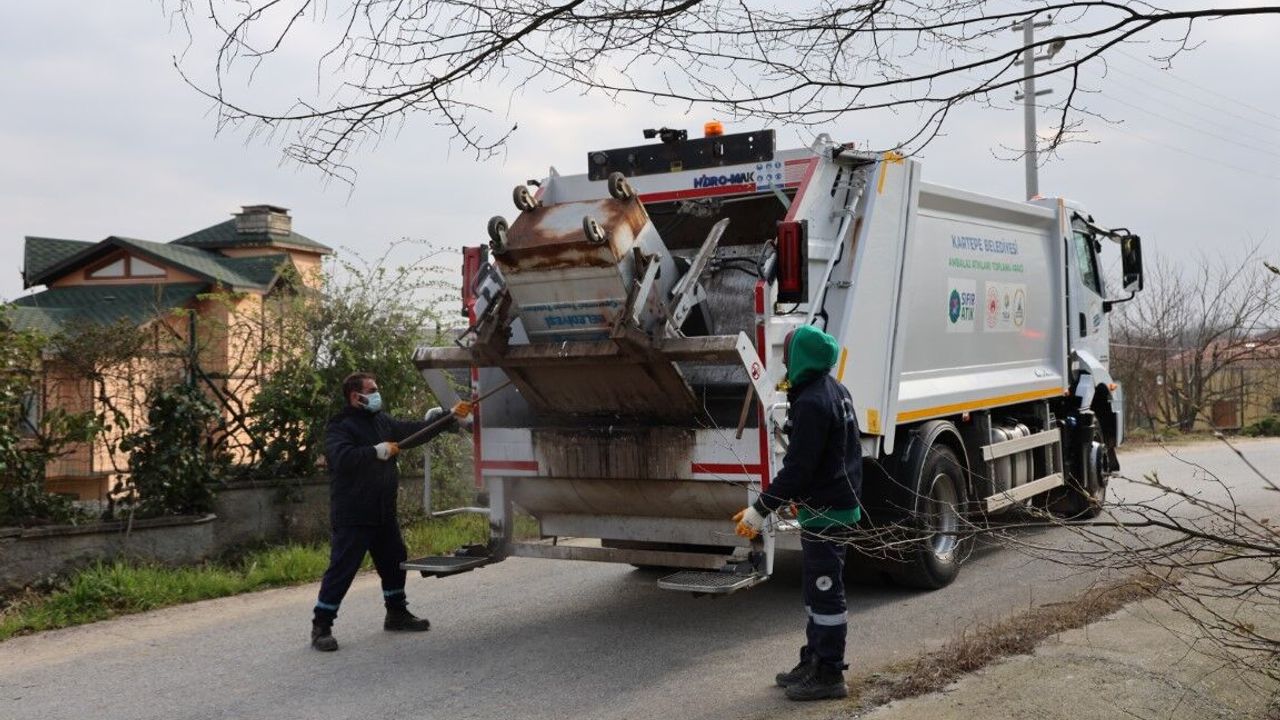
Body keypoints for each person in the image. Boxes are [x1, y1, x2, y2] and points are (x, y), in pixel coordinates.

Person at [732, 324, 862, 701]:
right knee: (815, 591)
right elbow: (838, 458)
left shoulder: (812, 402)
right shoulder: (836, 391)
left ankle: (830, 674)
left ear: (800, 358)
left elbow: (799, 468)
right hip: (830, 506)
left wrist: (760, 510)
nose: (785, 361)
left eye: (788, 355)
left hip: (827, 513)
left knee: (825, 593)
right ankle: (815, 659)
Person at [310, 372, 473, 652]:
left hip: (383, 510)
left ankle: (396, 613)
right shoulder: (341, 427)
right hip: (354, 513)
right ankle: (321, 626)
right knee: (343, 568)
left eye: (376, 389)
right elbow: (342, 458)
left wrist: (448, 417)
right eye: (371, 390)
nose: (376, 394)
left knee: (394, 559)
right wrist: (376, 451)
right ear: (355, 396)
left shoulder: (381, 421)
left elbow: (413, 431)